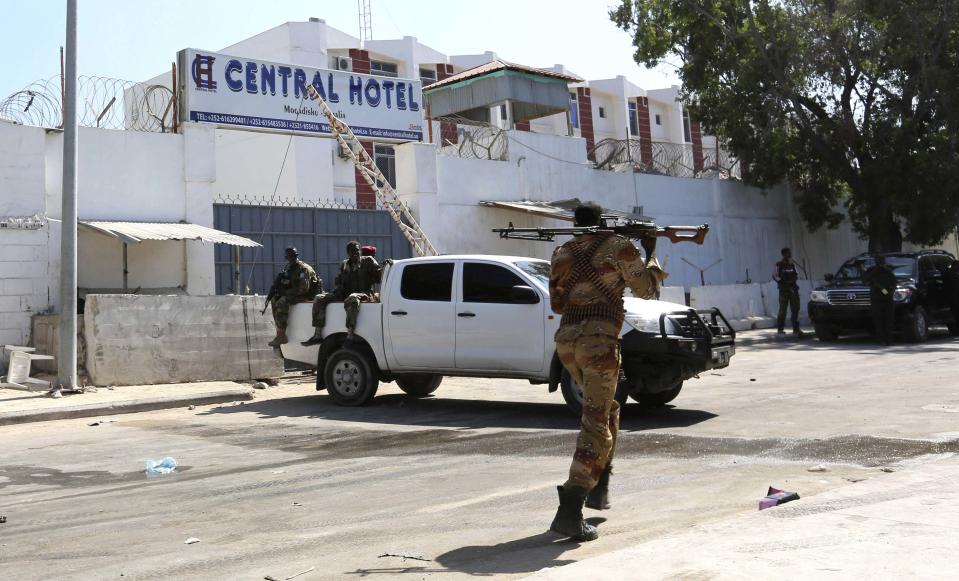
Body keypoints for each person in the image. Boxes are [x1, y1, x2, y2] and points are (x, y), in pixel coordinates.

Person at [547, 202, 666, 542]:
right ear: (603, 222)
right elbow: (648, 290)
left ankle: (599, 484)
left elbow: (557, 303)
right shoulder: (619, 247)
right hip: (598, 343)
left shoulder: (562, 251)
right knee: (596, 421)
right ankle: (572, 504)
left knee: (609, 411)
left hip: (568, 342)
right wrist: (651, 252)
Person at [302, 241, 383, 345]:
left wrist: (385, 267)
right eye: (353, 251)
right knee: (319, 297)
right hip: (344, 292)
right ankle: (317, 335)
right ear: (348, 253)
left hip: (364, 293)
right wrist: (334, 292)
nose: (356, 253)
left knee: (352, 297)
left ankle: (350, 335)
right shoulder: (344, 264)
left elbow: (380, 276)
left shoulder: (368, 261)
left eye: (357, 251)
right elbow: (339, 282)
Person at [268, 247, 320, 348]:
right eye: (289, 257)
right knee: (274, 299)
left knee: (282, 302)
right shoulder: (289, 267)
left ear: (296, 256)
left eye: (293, 256)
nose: (291, 258)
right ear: (286, 257)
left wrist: (285, 292)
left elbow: (304, 289)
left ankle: (282, 335)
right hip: (296, 293)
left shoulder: (303, 269)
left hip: (307, 295)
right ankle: (279, 331)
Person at [863, 255, 897, 345]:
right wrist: (875, 271)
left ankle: (889, 340)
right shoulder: (871, 271)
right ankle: (881, 340)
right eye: (878, 261)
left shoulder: (888, 271)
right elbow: (865, 280)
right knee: (878, 321)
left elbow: (894, 283)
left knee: (889, 320)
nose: (880, 263)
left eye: (882, 261)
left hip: (888, 298)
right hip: (876, 299)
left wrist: (891, 293)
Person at [773, 247, 802, 337]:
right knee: (783, 310)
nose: (789, 255)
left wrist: (792, 281)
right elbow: (775, 276)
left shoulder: (792, 264)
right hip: (784, 290)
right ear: (784, 254)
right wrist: (783, 282)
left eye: (790, 253)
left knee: (795, 309)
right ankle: (780, 329)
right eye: (788, 253)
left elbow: (797, 274)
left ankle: (796, 329)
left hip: (793, 289)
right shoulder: (779, 264)